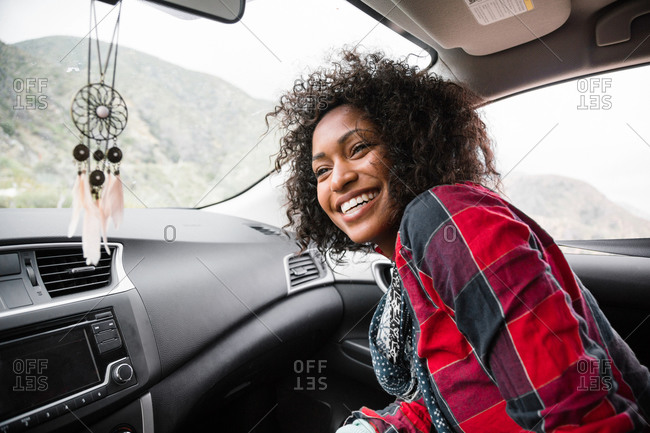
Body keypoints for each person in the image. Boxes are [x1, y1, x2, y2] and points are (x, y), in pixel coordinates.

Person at [268, 50, 650, 433]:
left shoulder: (444, 221)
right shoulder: (414, 266)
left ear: (408, 145)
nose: (338, 180)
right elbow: (445, 396)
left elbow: (575, 411)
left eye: (359, 149)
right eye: (322, 170)